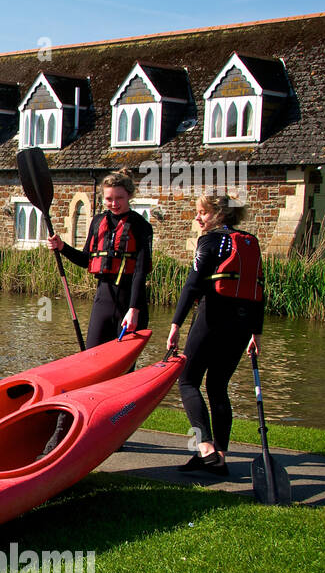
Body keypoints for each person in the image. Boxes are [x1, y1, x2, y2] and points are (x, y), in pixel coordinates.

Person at [166, 195, 265, 476]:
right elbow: (260, 287)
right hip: (243, 323)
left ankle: (206, 448)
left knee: (187, 381)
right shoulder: (251, 242)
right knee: (218, 385)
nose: (198, 218)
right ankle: (220, 458)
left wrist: (175, 324)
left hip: (213, 317)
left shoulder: (210, 240)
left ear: (219, 215)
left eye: (203, 213)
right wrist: (255, 333)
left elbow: (193, 284)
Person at [47, 167, 153, 348]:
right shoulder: (97, 222)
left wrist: (133, 310)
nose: (114, 203)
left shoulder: (141, 225)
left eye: (119, 198)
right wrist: (62, 247)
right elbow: (85, 259)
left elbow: (140, 271)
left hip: (130, 302)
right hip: (103, 300)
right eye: (109, 199)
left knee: (123, 366)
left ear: (129, 196)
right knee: (92, 354)